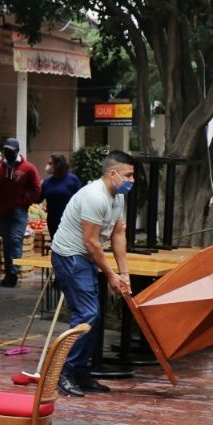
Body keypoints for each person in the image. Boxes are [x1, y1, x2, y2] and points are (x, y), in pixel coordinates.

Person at [49, 150, 134, 397]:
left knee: (93, 317)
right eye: (128, 175)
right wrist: (110, 274)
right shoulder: (95, 196)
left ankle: (80, 373)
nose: (132, 180)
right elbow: (92, 242)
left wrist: (124, 274)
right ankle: (63, 372)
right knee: (87, 314)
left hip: (85, 257)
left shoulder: (117, 197)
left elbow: (118, 234)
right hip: (70, 256)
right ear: (112, 173)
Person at [0, 137, 42, 287]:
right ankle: (9, 271)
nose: (7, 153)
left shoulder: (28, 168)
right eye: (6, 151)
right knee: (7, 243)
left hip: (19, 211)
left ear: (17, 151)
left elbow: (36, 188)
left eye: (10, 151)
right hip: (3, 211)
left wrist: (24, 202)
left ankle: (13, 271)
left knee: (15, 239)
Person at [38, 153, 82, 238]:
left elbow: (80, 199)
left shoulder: (72, 179)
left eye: (50, 163)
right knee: (55, 246)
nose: (47, 166)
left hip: (69, 221)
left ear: (58, 165)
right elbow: (38, 199)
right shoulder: (46, 182)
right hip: (53, 221)